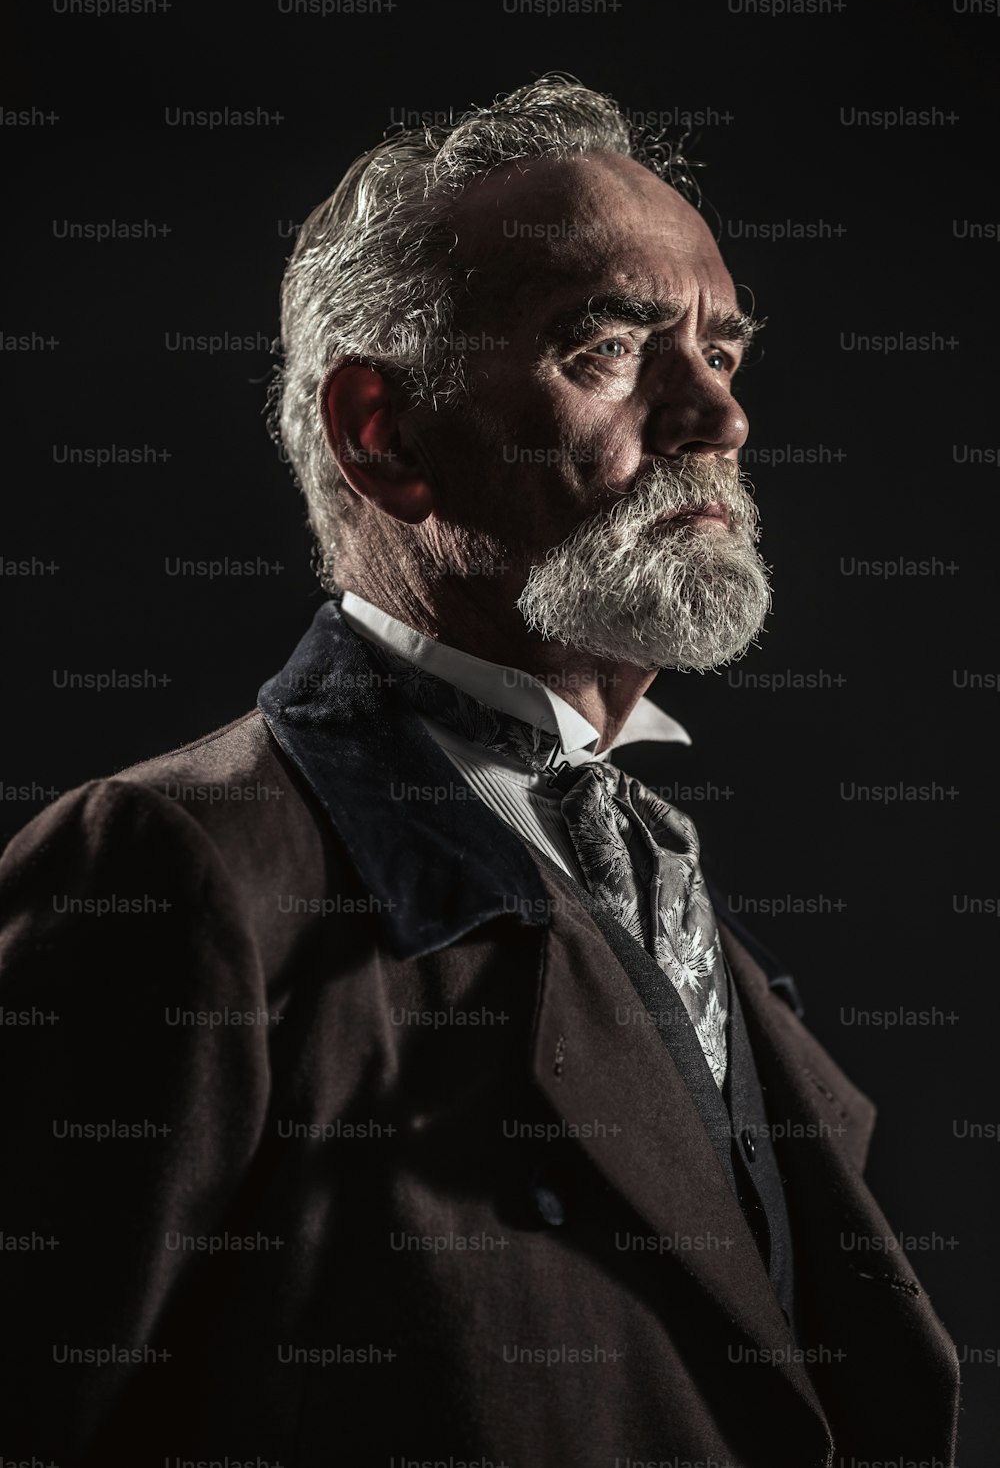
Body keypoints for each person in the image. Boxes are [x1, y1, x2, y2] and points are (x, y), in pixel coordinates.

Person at [0, 75, 959, 1467]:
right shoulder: (165, 869)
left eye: (726, 352)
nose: (717, 417)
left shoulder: (656, 878)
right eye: (610, 347)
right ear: (379, 432)